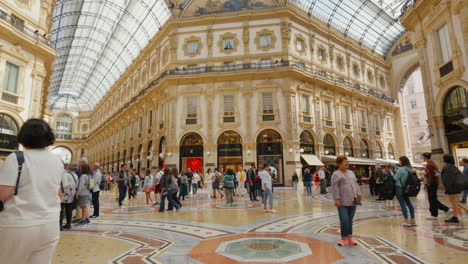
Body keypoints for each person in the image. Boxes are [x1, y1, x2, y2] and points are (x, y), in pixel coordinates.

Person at [0, 119, 64, 263]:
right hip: (50, 225)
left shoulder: (17, 158)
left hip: (19, 224)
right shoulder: (57, 161)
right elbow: (59, 193)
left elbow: (4, 193)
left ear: (23, 137)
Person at [331, 156, 362, 246]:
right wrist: (336, 199)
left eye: (347, 161)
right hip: (342, 201)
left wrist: (359, 193)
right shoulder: (336, 174)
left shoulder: (351, 173)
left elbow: (356, 184)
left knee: (350, 220)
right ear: (339, 164)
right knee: (344, 220)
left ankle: (350, 237)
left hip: (353, 200)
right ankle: (344, 238)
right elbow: (334, 188)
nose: (346, 163)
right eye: (344, 162)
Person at [441, 154, 468, 223]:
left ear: (445, 159)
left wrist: (448, 187)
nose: (441, 159)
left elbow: (448, 178)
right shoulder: (452, 166)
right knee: (454, 201)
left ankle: (455, 217)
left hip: (452, 186)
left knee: (453, 201)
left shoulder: (447, 167)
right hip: (454, 186)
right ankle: (463, 210)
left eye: (443, 158)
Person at [423, 152, 450, 220]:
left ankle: (434, 214)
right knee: (433, 199)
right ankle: (445, 209)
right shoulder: (433, 163)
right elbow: (433, 173)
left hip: (432, 183)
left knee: (432, 199)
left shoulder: (429, 164)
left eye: (423, 157)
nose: (423, 158)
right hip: (435, 183)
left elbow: (431, 175)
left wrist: (428, 183)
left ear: (425, 157)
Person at [393, 156, 416, 227]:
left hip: (399, 187)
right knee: (409, 203)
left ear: (402, 161)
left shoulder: (401, 170)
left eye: (399, 161)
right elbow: (401, 170)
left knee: (402, 204)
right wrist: (394, 166)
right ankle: (412, 220)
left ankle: (406, 220)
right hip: (406, 188)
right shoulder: (410, 169)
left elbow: (395, 178)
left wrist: (393, 172)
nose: (399, 162)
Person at [61, 163, 78, 230]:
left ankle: (60, 224)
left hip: (65, 193)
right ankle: (68, 224)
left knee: (62, 209)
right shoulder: (75, 175)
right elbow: (76, 185)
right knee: (69, 209)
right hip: (72, 193)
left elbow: (64, 184)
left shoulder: (66, 174)